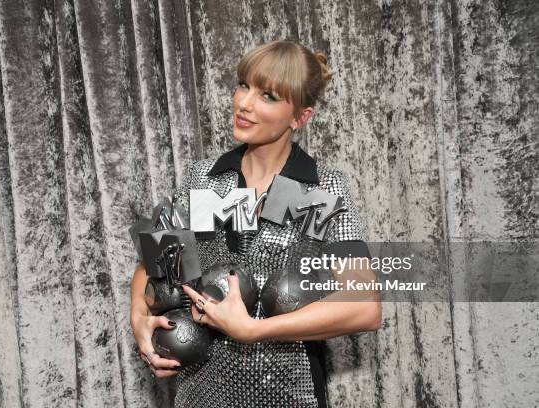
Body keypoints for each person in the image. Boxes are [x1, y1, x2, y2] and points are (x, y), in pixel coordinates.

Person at [130, 40, 381, 408]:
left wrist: (254, 331)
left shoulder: (318, 188)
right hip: (201, 394)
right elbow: (154, 270)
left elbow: (364, 307)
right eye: (244, 85)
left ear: (300, 117)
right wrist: (140, 319)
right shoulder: (206, 180)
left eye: (268, 96)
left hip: (290, 395)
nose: (244, 103)